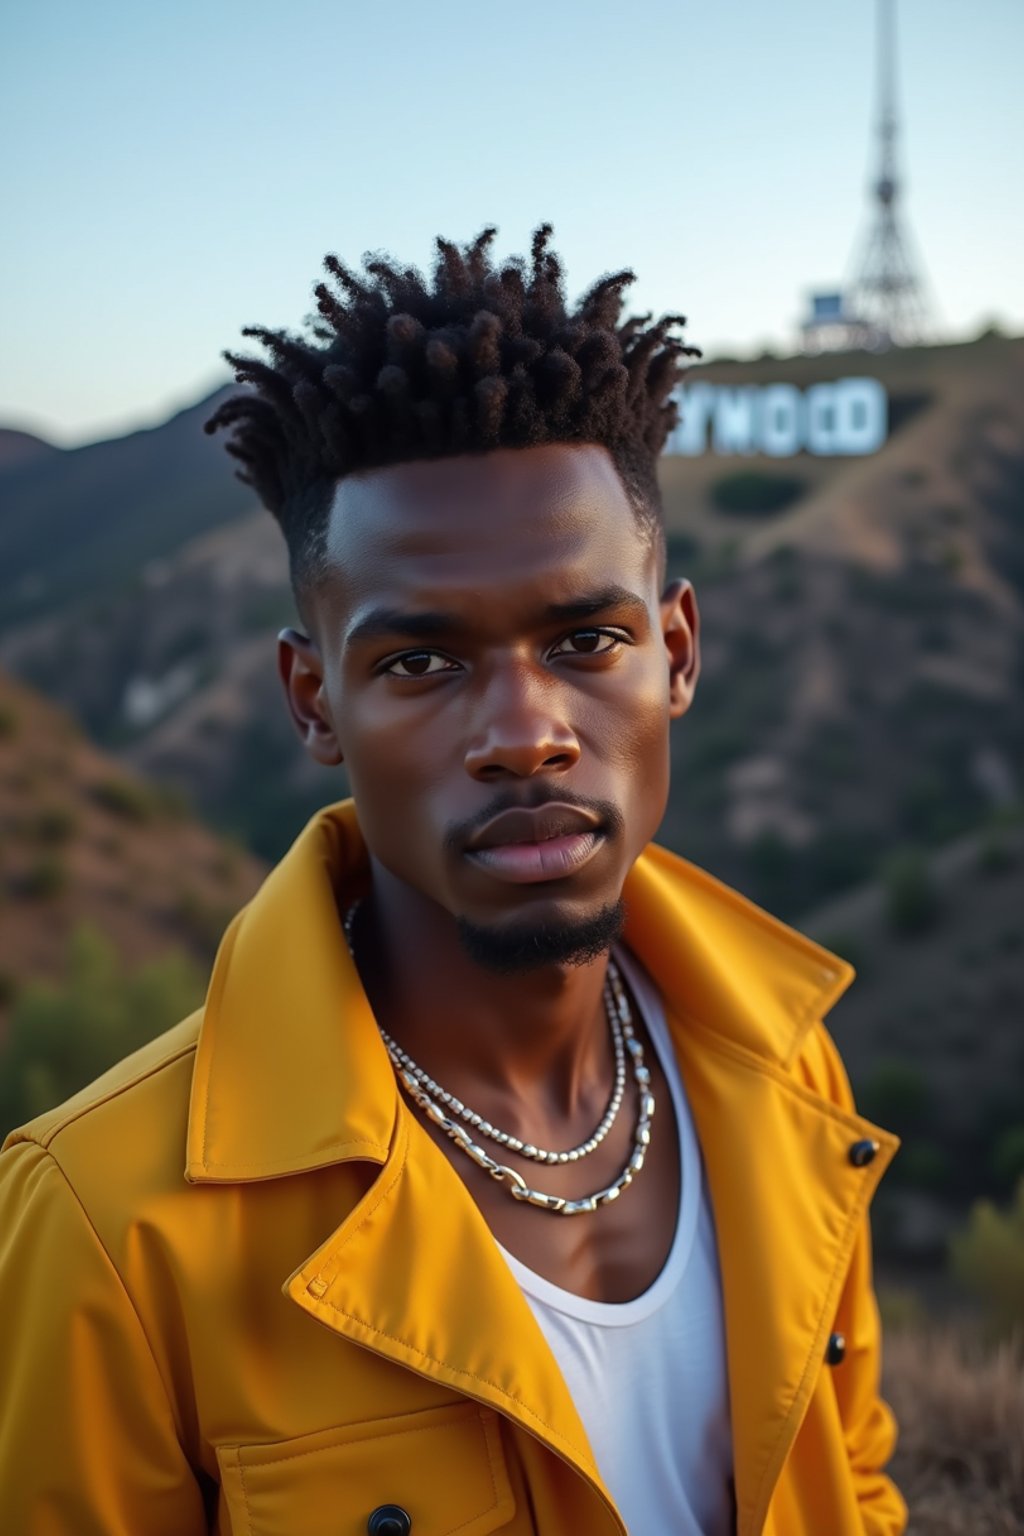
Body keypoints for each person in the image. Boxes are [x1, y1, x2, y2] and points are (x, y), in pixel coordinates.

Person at [0, 227, 906, 1535]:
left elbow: (856, 1483)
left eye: (588, 637)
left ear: (678, 652)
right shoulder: (105, 1222)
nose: (526, 729)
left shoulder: (788, 1074)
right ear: (316, 701)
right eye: (422, 663)